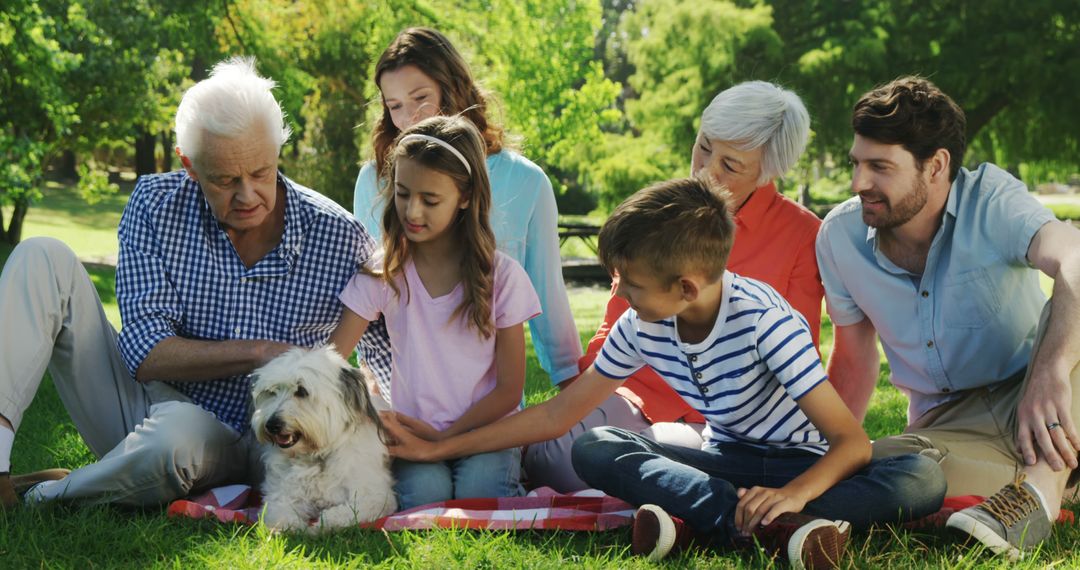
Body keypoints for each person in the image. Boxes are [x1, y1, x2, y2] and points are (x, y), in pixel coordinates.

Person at [384, 178, 945, 567]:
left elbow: (849, 442)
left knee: (922, 479)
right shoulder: (642, 323)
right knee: (598, 447)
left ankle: (727, 519)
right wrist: (440, 447)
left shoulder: (764, 322)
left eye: (628, 281)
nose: (619, 292)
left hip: (802, 463)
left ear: (685, 289)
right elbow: (560, 415)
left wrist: (795, 494)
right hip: (724, 463)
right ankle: (764, 528)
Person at [0, 57, 373, 507]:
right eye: (224, 179)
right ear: (190, 166)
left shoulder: (338, 234)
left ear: (277, 152)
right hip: (152, 410)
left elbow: (387, 343)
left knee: (172, 442)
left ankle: (42, 496)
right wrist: (258, 352)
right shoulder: (155, 205)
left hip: (275, 443)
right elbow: (143, 350)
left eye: (260, 172)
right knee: (42, 255)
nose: (247, 195)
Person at [816, 76, 1080, 558]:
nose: (859, 184)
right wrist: (831, 451)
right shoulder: (839, 237)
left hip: (1038, 396)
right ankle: (1051, 483)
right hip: (945, 429)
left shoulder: (991, 200)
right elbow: (854, 359)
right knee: (878, 471)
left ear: (936, 165)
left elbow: (1075, 257)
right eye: (857, 163)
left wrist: (1051, 371)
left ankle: (1039, 494)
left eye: (879, 167)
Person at [524, 81, 825, 492]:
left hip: (730, 424)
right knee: (552, 458)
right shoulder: (662, 209)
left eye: (730, 165)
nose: (705, 170)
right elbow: (616, 322)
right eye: (703, 146)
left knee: (603, 462)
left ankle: (665, 480)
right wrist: (586, 400)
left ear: (768, 170)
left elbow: (795, 355)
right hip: (634, 395)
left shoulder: (803, 234)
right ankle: (667, 481)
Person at [353, 27, 579, 398]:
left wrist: (572, 396)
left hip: (490, 406)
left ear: (453, 88)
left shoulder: (526, 181)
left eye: (420, 98)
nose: (409, 118)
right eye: (394, 106)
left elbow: (549, 299)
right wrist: (373, 386)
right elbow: (371, 293)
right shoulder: (373, 181)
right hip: (404, 401)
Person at [330, 115, 541, 510]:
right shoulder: (383, 273)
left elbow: (510, 389)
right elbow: (331, 359)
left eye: (430, 200)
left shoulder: (502, 277)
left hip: (486, 430)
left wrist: (445, 439)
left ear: (464, 197)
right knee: (423, 499)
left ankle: (513, 471)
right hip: (410, 431)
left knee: (481, 496)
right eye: (403, 193)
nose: (412, 211)